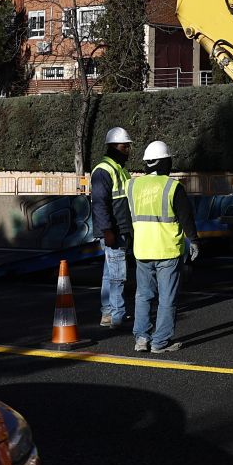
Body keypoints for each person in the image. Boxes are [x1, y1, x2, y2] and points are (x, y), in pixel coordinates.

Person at [129, 140, 196, 354]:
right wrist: (194, 240)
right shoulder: (172, 186)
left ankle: (141, 338)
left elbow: (127, 216)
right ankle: (160, 342)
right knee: (167, 298)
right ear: (166, 162)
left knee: (143, 295)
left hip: (142, 249)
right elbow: (186, 217)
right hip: (167, 250)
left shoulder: (133, 185)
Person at [89, 126, 134, 328]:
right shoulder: (103, 170)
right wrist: (107, 230)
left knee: (110, 274)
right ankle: (117, 316)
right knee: (117, 275)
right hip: (113, 231)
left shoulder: (120, 169)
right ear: (114, 146)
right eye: (125, 147)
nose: (128, 150)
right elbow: (99, 202)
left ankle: (108, 313)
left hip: (118, 229)